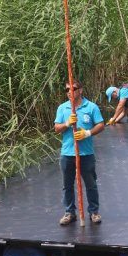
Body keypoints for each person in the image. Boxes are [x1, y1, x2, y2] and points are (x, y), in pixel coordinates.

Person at [54, 79, 105, 225]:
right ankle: (70, 213)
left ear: (81, 90)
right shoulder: (62, 108)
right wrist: (67, 123)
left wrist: (87, 133)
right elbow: (57, 128)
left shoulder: (91, 107)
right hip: (67, 153)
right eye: (67, 89)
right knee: (67, 185)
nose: (70, 92)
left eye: (74, 88)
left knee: (90, 184)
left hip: (86, 154)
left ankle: (94, 212)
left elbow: (101, 125)